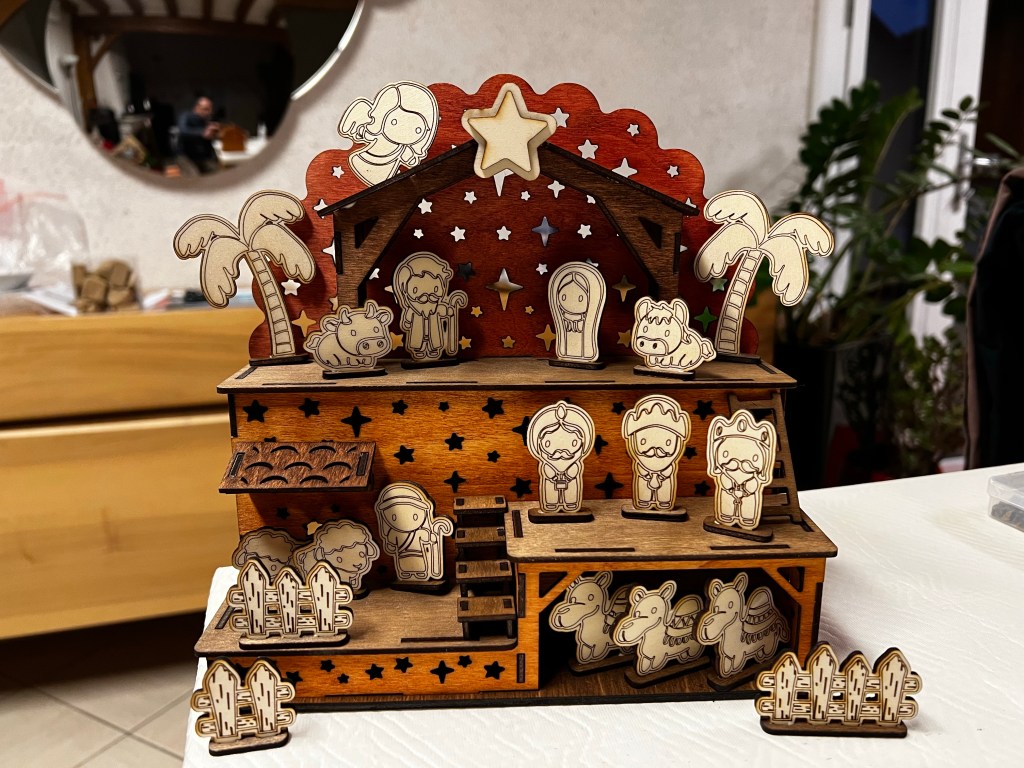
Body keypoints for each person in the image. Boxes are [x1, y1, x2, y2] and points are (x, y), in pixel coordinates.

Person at [177, 96, 220, 174]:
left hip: (203, 157)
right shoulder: (186, 116)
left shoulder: (206, 120)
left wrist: (214, 132)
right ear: (197, 107)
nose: (209, 112)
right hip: (186, 157)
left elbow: (209, 138)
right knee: (194, 177)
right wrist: (202, 133)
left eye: (210, 109)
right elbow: (183, 131)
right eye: (205, 109)